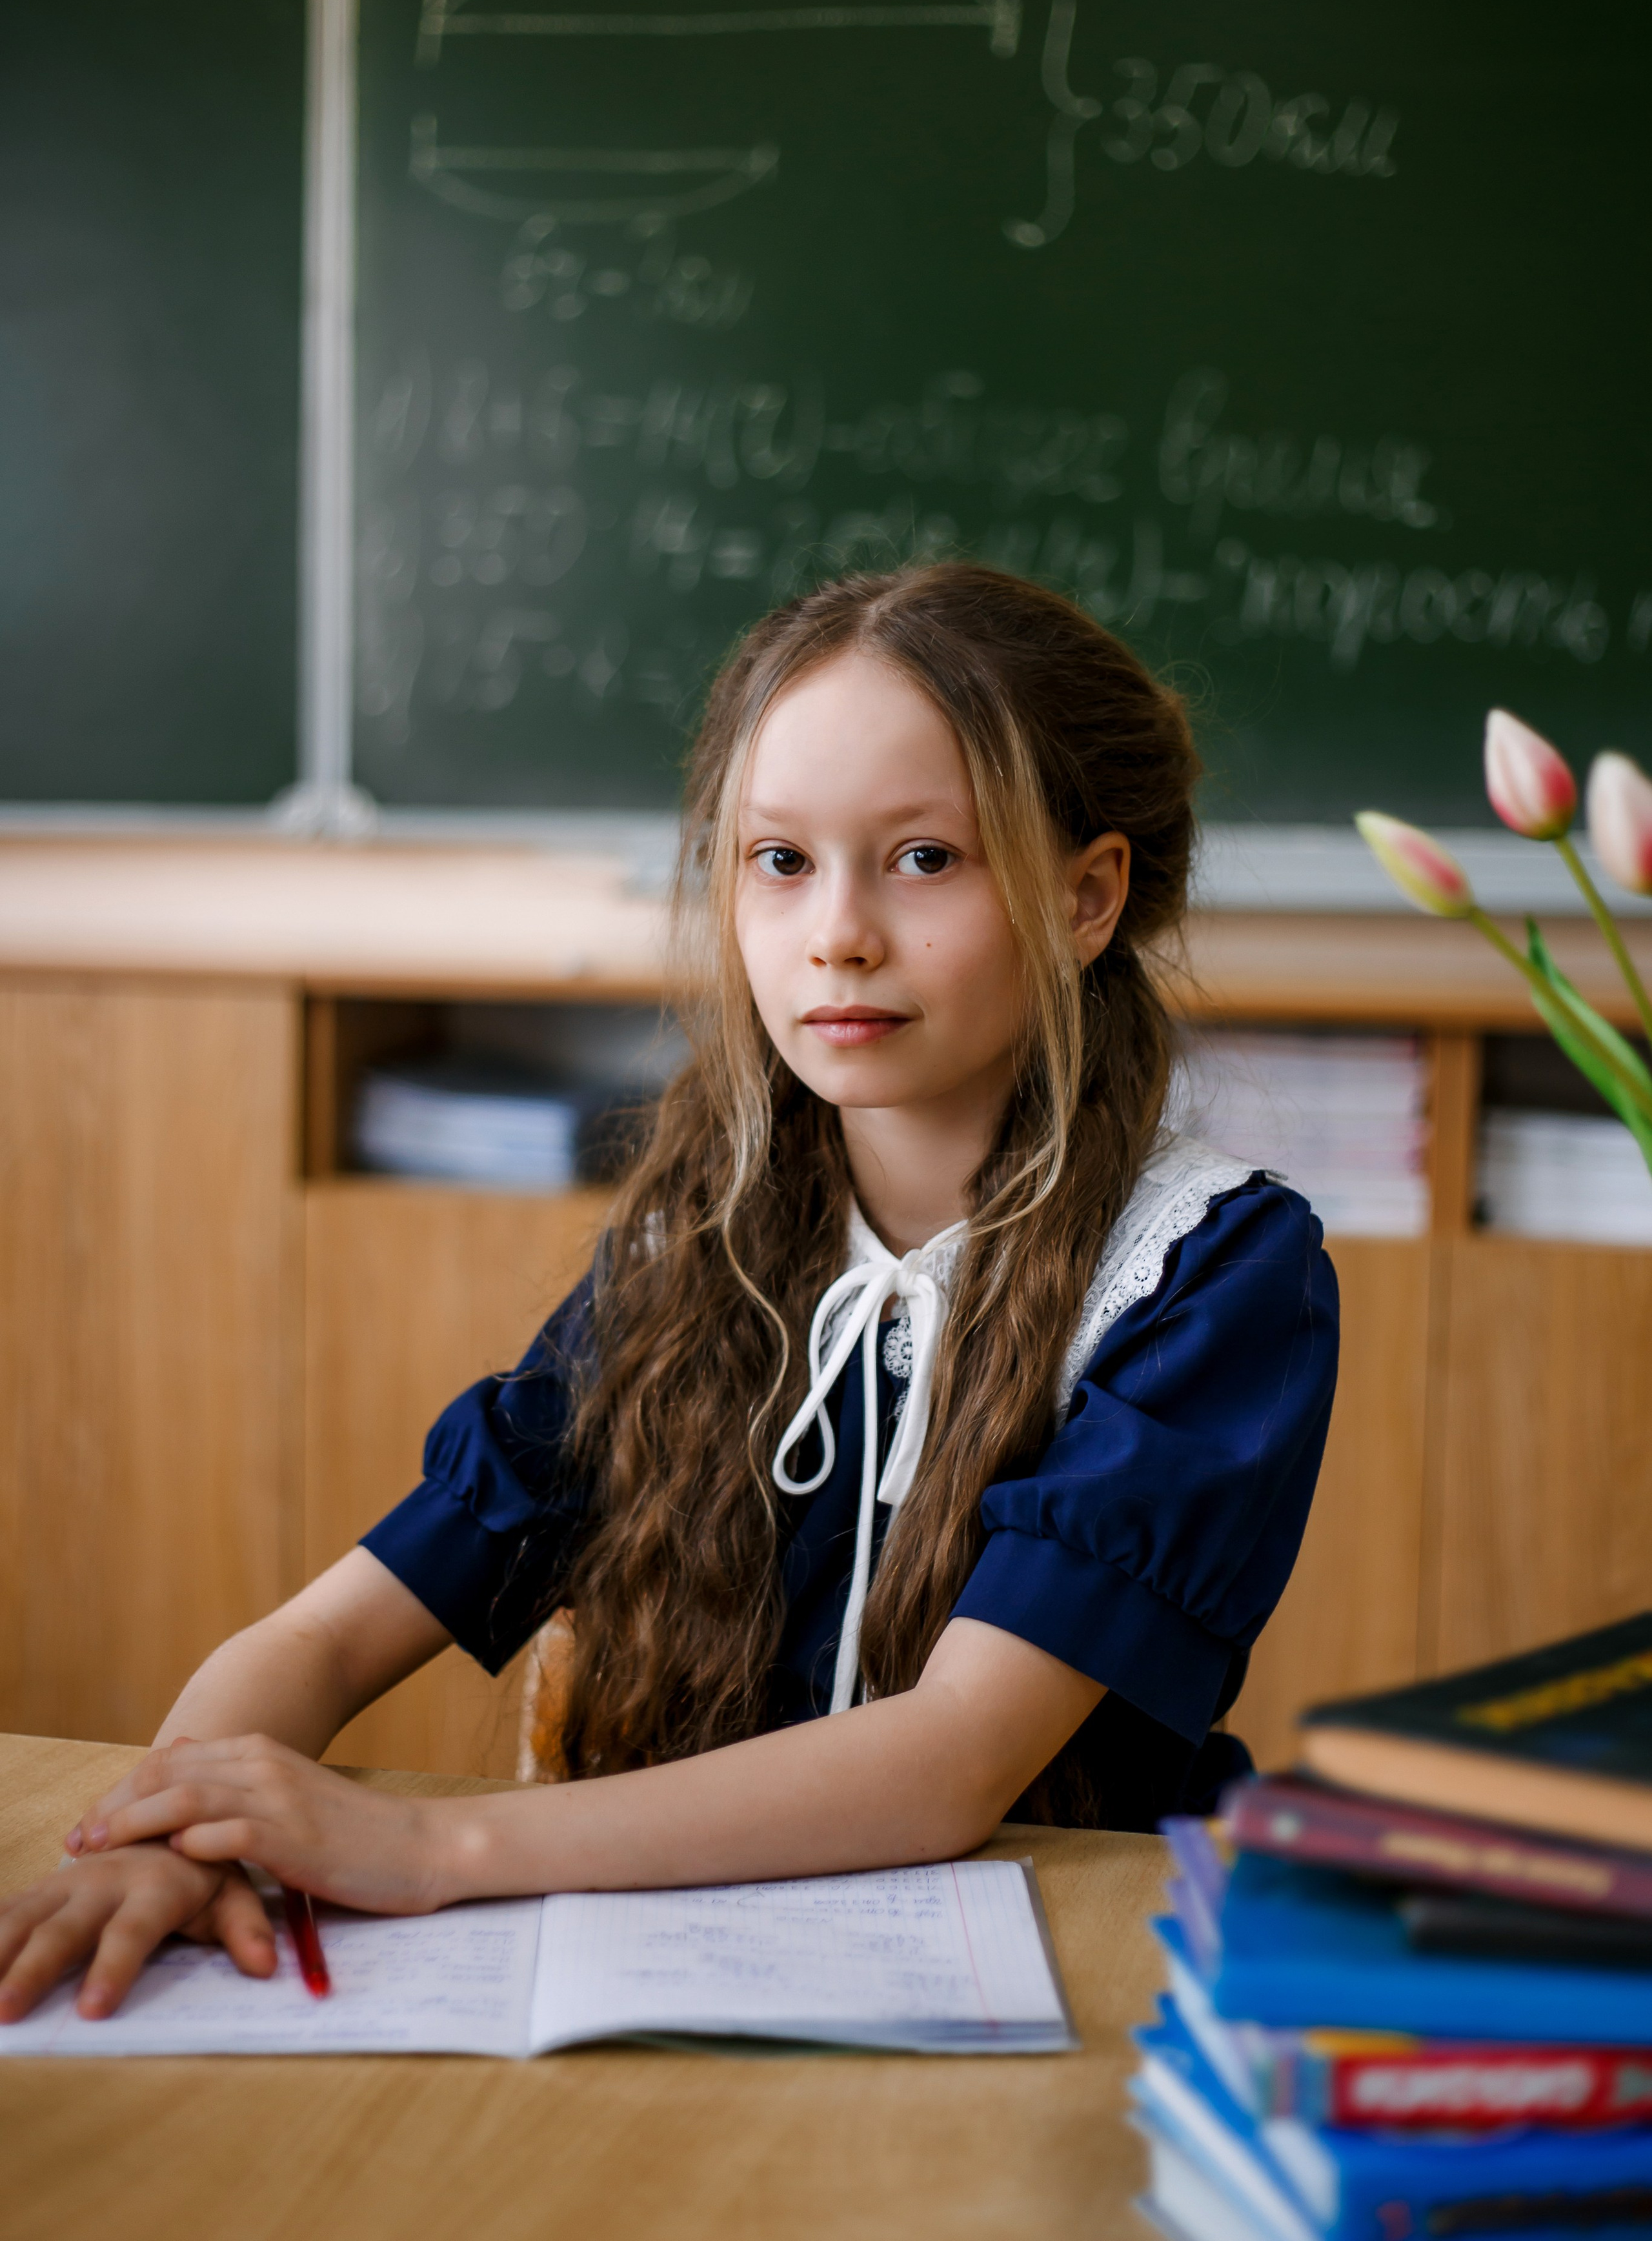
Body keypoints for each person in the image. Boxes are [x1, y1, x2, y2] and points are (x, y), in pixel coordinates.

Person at [0, 563, 1337, 2024]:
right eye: (778, 861)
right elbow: (324, 1637)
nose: (836, 933)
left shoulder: (1208, 1275)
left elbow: (946, 1763)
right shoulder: (688, 1250)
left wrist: (424, 1840)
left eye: (923, 859)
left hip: (1075, 1990)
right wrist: (164, 1836)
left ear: (1086, 897)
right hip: (677, 1975)